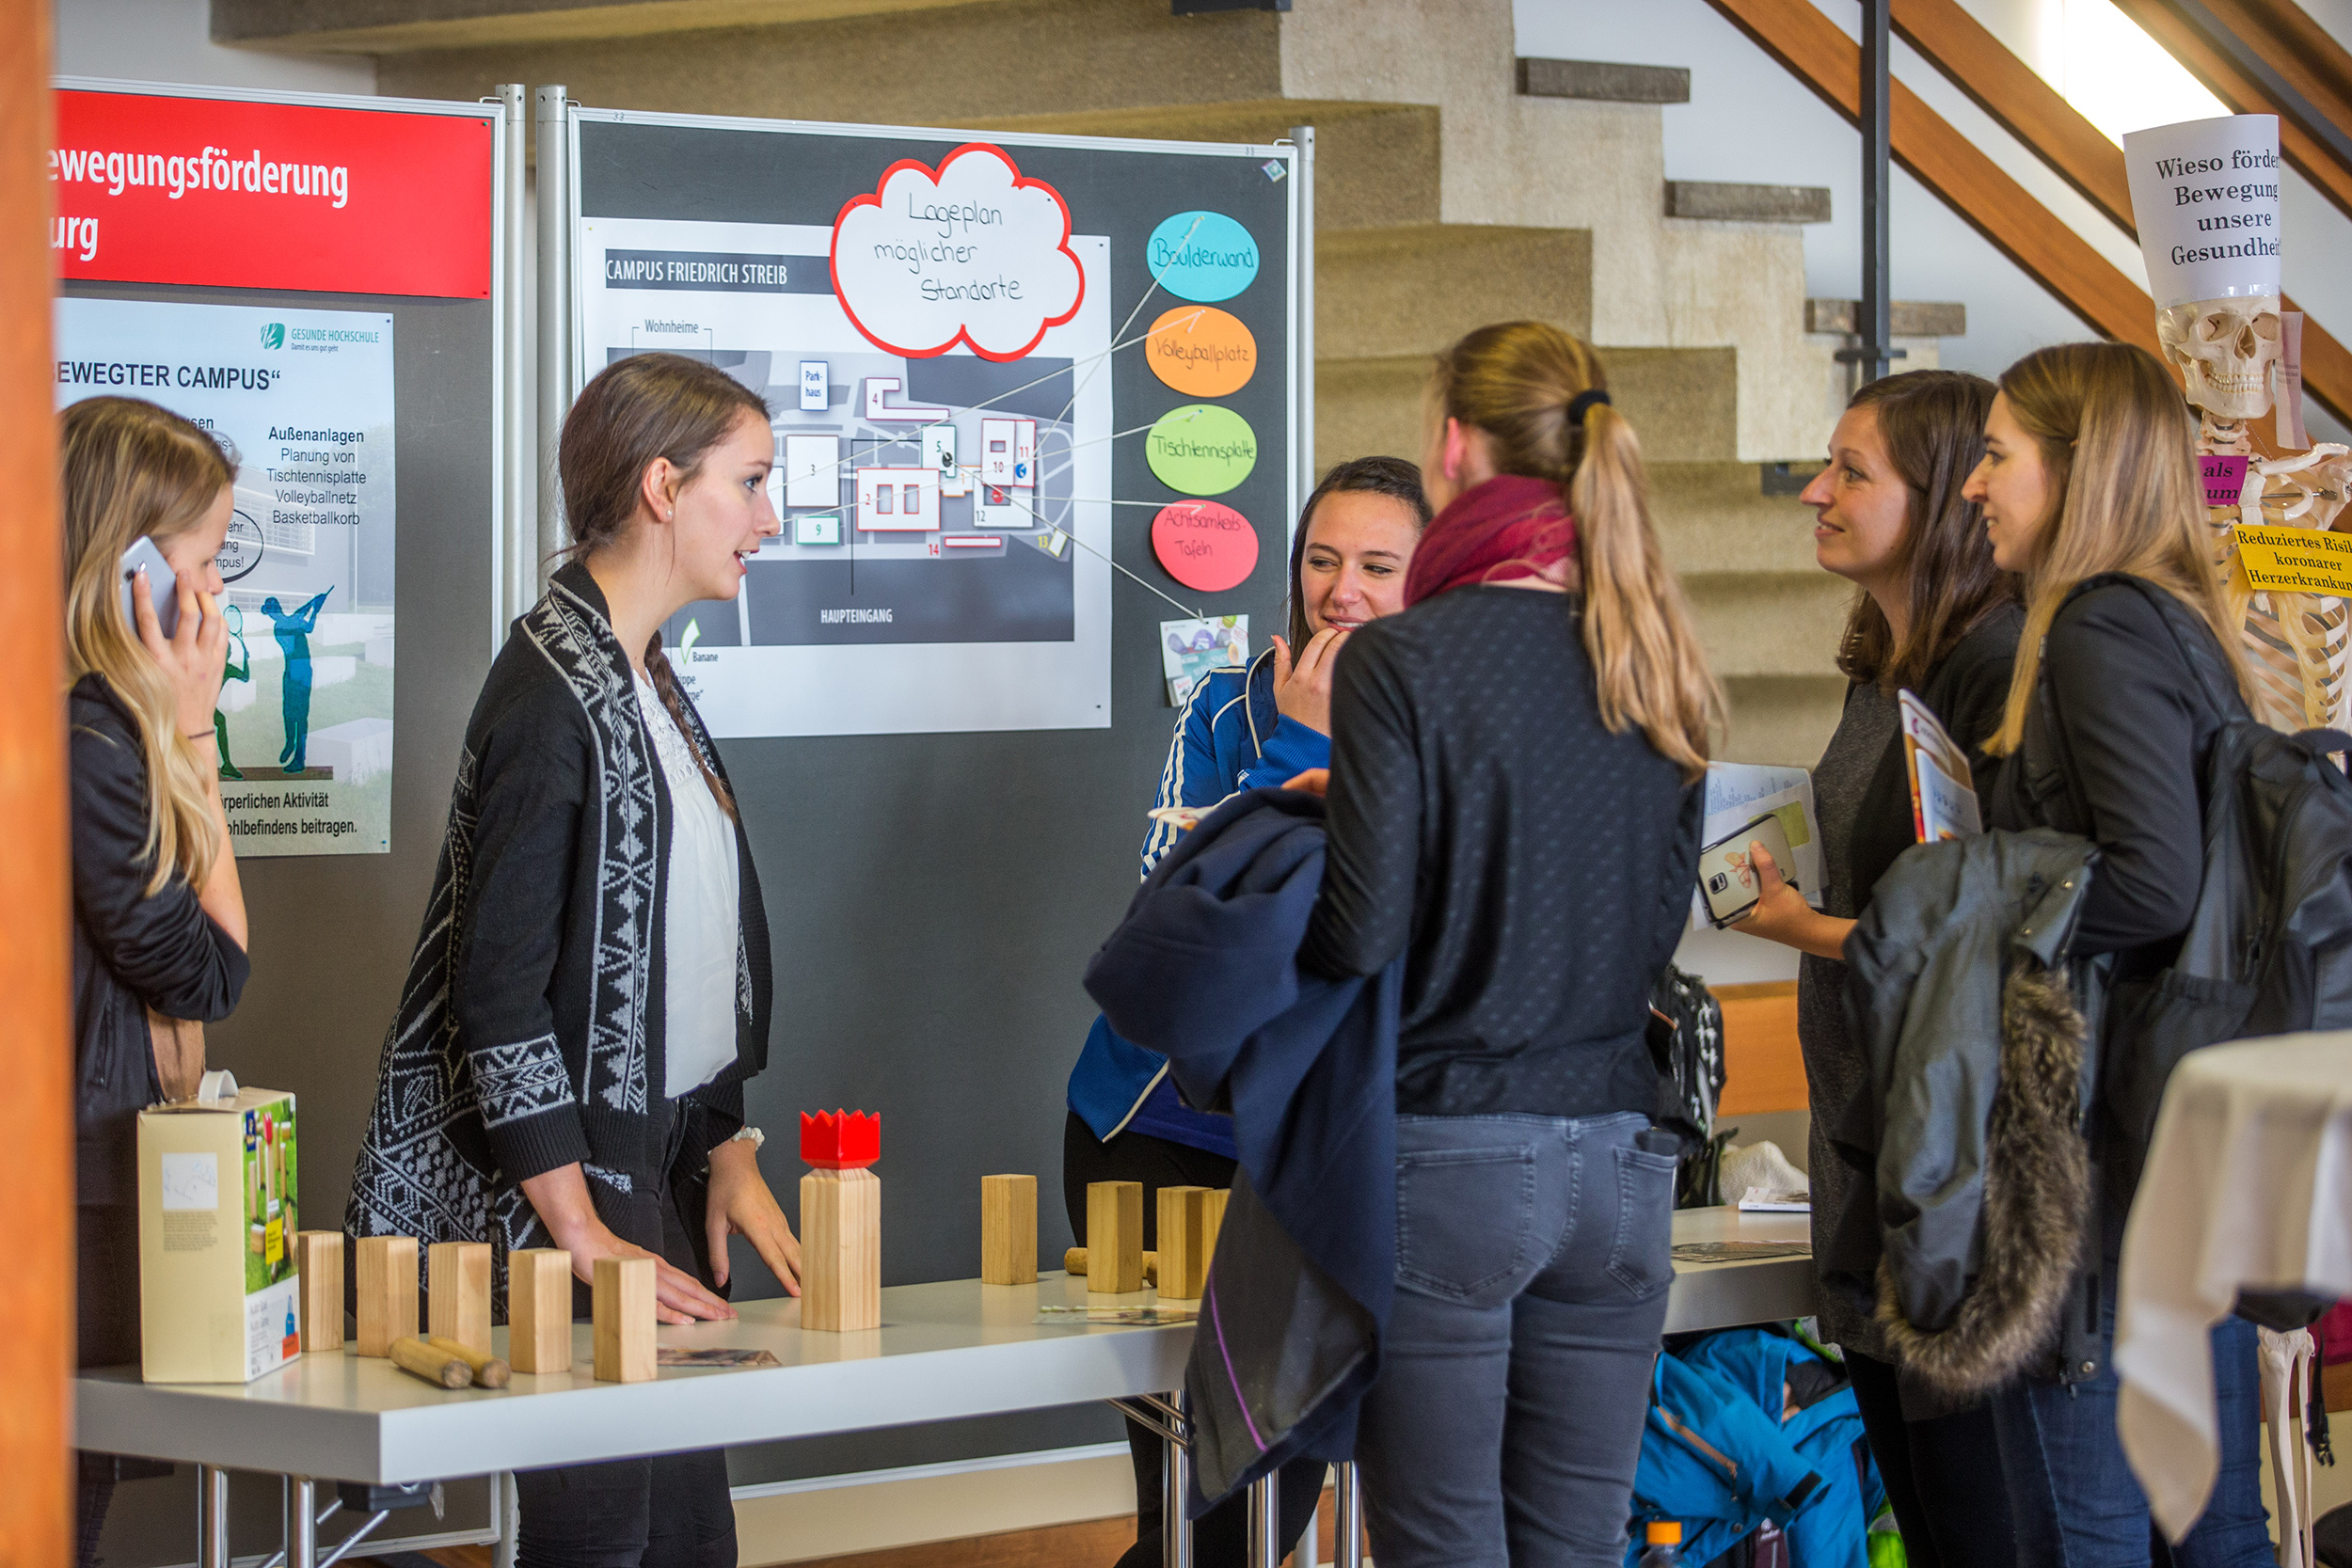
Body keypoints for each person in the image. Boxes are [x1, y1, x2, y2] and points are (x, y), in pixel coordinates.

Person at [347, 353, 803, 1568]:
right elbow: (496, 989)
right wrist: (582, 1232)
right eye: (751, 483)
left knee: (686, 1535)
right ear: (665, 484)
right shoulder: (554, 693)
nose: (770, 517)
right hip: (574, 1182)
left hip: (640, 1158)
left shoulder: (641, 670)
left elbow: (686, 954)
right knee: (604, 1536)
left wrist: (725, 1143)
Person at [1295, 321, 1718, 1568]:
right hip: (1627, 1169)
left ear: (1452, 447)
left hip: (1454, 1159)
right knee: (1579, 1543)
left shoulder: (1403, 658)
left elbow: (1362, 934)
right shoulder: (1655, 653)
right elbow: (1656, 931)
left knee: (1444, 1544)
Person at [1068, 454, 1429, 1568]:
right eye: (1322, 560)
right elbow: (1180, 922)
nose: (1343, 590)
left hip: (1319, 1152)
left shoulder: (1454, 729)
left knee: (1272, 1493)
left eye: (1378, 564)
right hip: (1152, 1132)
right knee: (1193, 1510)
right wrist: (1300, 748)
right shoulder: (1229, 703)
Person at [1963, 341, 2270, 1568]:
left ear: (2075, 470)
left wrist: (1969, 904)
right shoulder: (2182, 621)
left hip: (2103, 1169)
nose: (1975, 486)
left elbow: (2152, 876)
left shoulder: (2098, 626)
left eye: (1995, 455)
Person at [1726, 371, 2023, 1568]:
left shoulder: (1997, 670)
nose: (1817, 489)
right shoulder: (1876, 665)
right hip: (1866, 1151)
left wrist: (1803, 926)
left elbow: (1995, 942)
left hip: (1952, 1180)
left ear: (1943, 496)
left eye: (1853, 471)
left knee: (1982, 1528)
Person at [62, 398, 251, 1567]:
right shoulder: (90, 734)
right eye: (204, 561)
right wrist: (190, 735)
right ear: (128, 567)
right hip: (61, 1196)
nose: (215, 594)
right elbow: (209, 963)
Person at [261, 589, 327, 773]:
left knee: (300, 716)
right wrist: (313, 606)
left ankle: (299, 757)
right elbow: (300, 624)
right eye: (270, 610)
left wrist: (314, 606)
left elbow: (306, 625)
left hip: (302, 672)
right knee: (288, 712)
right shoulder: (281, 628)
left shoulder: (292, 621)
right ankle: (290, 743)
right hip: (292, 672)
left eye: (274, 608)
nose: (273, 612)